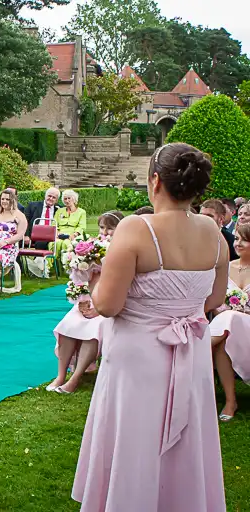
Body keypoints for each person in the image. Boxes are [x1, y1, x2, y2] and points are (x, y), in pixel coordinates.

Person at [72, 142, 227, 511]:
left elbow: (108, 305)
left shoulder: (136, 228)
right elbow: (213, 299)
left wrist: (91, 278)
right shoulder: (212, 231)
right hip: (191, 355)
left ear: (155, 181)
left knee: (135, 438)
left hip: (138, 358)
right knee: (187, 437)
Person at [48, 211, 124, 395]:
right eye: (102, 227)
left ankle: (75, 378)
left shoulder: (123, 251)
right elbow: (79, 278)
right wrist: (81, 300)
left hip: (108, 306)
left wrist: (100, 309)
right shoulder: (93, 247)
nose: (105, 232)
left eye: (110, 228)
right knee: (69, 324)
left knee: (92, 331)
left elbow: (122, 286)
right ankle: (60, 375)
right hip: (88, 301)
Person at [209, 222, 250, 422]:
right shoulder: (227, 267)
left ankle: (198, 348)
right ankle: (230, 401)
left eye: (245, 239)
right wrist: (222, 308)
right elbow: (215, 301)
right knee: (224, 336)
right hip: (226, 328)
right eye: (236, 238)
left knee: (230, 318)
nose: (238, 243)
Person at [52, 189, 87, 261]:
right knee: (56, 244)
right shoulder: (59, 211)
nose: (67, 200)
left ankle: (65, 266)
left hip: (73, 234)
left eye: (69, 198)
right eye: (65, 199)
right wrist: (57, 232)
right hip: (59, 234)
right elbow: (54, 223)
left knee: (66, 244)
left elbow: (82, 226)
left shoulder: (81, 212)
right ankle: (53, 267)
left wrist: (75, 234)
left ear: (74, 199)